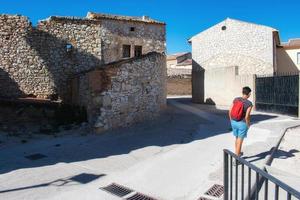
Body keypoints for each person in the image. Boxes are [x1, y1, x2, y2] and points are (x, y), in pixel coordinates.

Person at [229, 86, 253, 157]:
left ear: (242, 92)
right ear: (248, 94)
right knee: (240, 140)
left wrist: (231, 121)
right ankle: (237, 158)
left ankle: (237, 152)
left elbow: (230, 111)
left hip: (233, 122)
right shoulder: (249, 103)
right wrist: (248, 124)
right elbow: (247, 116)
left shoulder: (236, 99)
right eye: (250, 94)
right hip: (242, 124)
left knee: (237, 138)